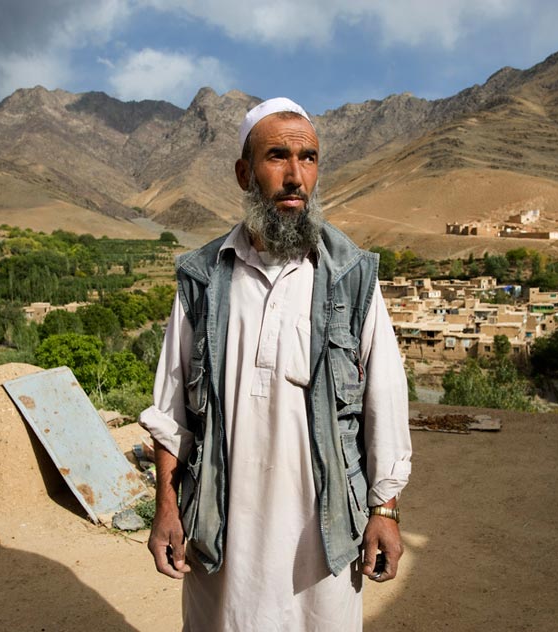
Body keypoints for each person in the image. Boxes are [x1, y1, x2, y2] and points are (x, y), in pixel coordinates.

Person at [139, 97, 412, 631]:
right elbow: (171, 415)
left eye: (308, 158)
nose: (294, 176)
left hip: (323, 534)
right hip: (221, 529)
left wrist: (385, 511)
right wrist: (166, 509)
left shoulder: (351, 277)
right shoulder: (202, 278)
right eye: (277, 157)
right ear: (245, 172)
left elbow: (386, 401)